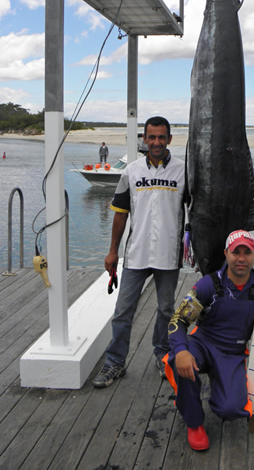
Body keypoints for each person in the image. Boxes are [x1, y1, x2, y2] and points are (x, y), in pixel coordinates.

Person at [93, 116, 185, 388]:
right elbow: (120, 214)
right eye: (151, 137)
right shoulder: (130, 171)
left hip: (169, 254)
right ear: (144, 139)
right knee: (122, 311)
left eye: (161, 137)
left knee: (167, 310)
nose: (156, 142)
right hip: (136, 254)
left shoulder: (184, 171)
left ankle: (162, 354)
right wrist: (112, 252)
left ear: (169, 139)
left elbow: (199, 210)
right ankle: (115, 362)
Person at [163, 229, 254, 451]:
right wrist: (180, 350)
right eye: (236, 252)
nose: (241, 258)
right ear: (226, 254)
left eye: (247, 252)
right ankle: (194, 422)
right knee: (181, 361)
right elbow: (178, 319)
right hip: (203, 344)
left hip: (233, 354)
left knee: (230, 409)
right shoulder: (209, 284)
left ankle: (221, 390)